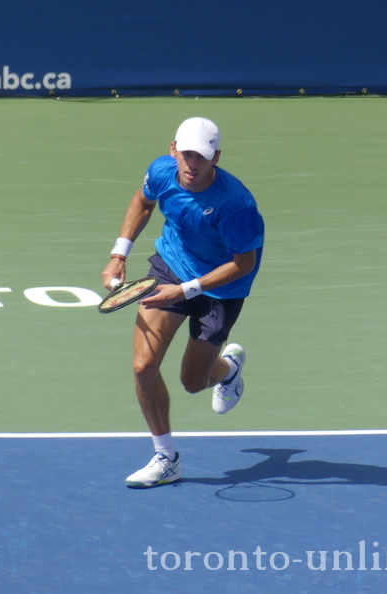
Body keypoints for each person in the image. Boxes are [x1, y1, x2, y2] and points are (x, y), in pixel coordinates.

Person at [101, 117, 265, 488]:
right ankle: (166, 458)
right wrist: (119, 253)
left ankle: (227, 370)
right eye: (186, 154)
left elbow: (243, 264)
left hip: (222, 286)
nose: (192, 165)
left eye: (202, 157)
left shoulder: (236, 204)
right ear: (173, 149)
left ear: (216, 158)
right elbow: (143, 203)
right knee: (143, 367)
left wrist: (188, 290)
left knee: (193, 382)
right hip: (171, 266)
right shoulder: (162, 172)